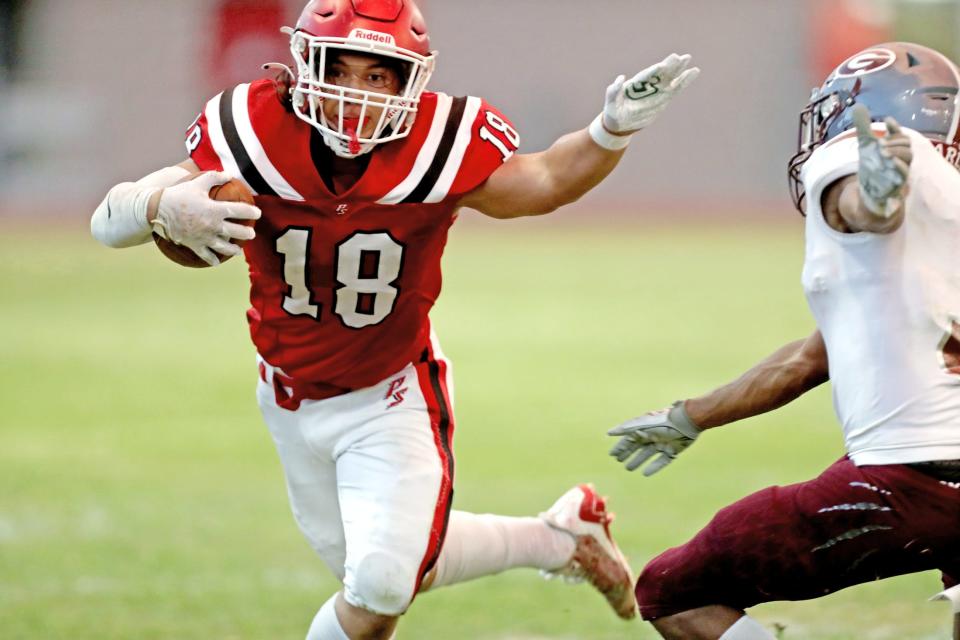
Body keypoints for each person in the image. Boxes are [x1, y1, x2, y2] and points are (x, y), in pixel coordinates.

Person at [90, 1, 699, 638]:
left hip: (391, 390)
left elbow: (545, 179)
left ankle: (554, 540)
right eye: (340, 69)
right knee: (390, 574)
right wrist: (161, 205)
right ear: (303, 65)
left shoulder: (439, 143)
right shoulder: (252, 128)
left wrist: (609, 132)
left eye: (377, 76)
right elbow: (109, 221)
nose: (355, 94)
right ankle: (562, 538)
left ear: (410, 80)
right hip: (286, 391)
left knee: (381, 582)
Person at [607, 41, 960, 640]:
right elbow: (808, 359)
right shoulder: (949, 194)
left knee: (675, 592)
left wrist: (875, 195)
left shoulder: (853, 154)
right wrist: (689, 417)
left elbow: (865, 204)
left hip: (910, 478)